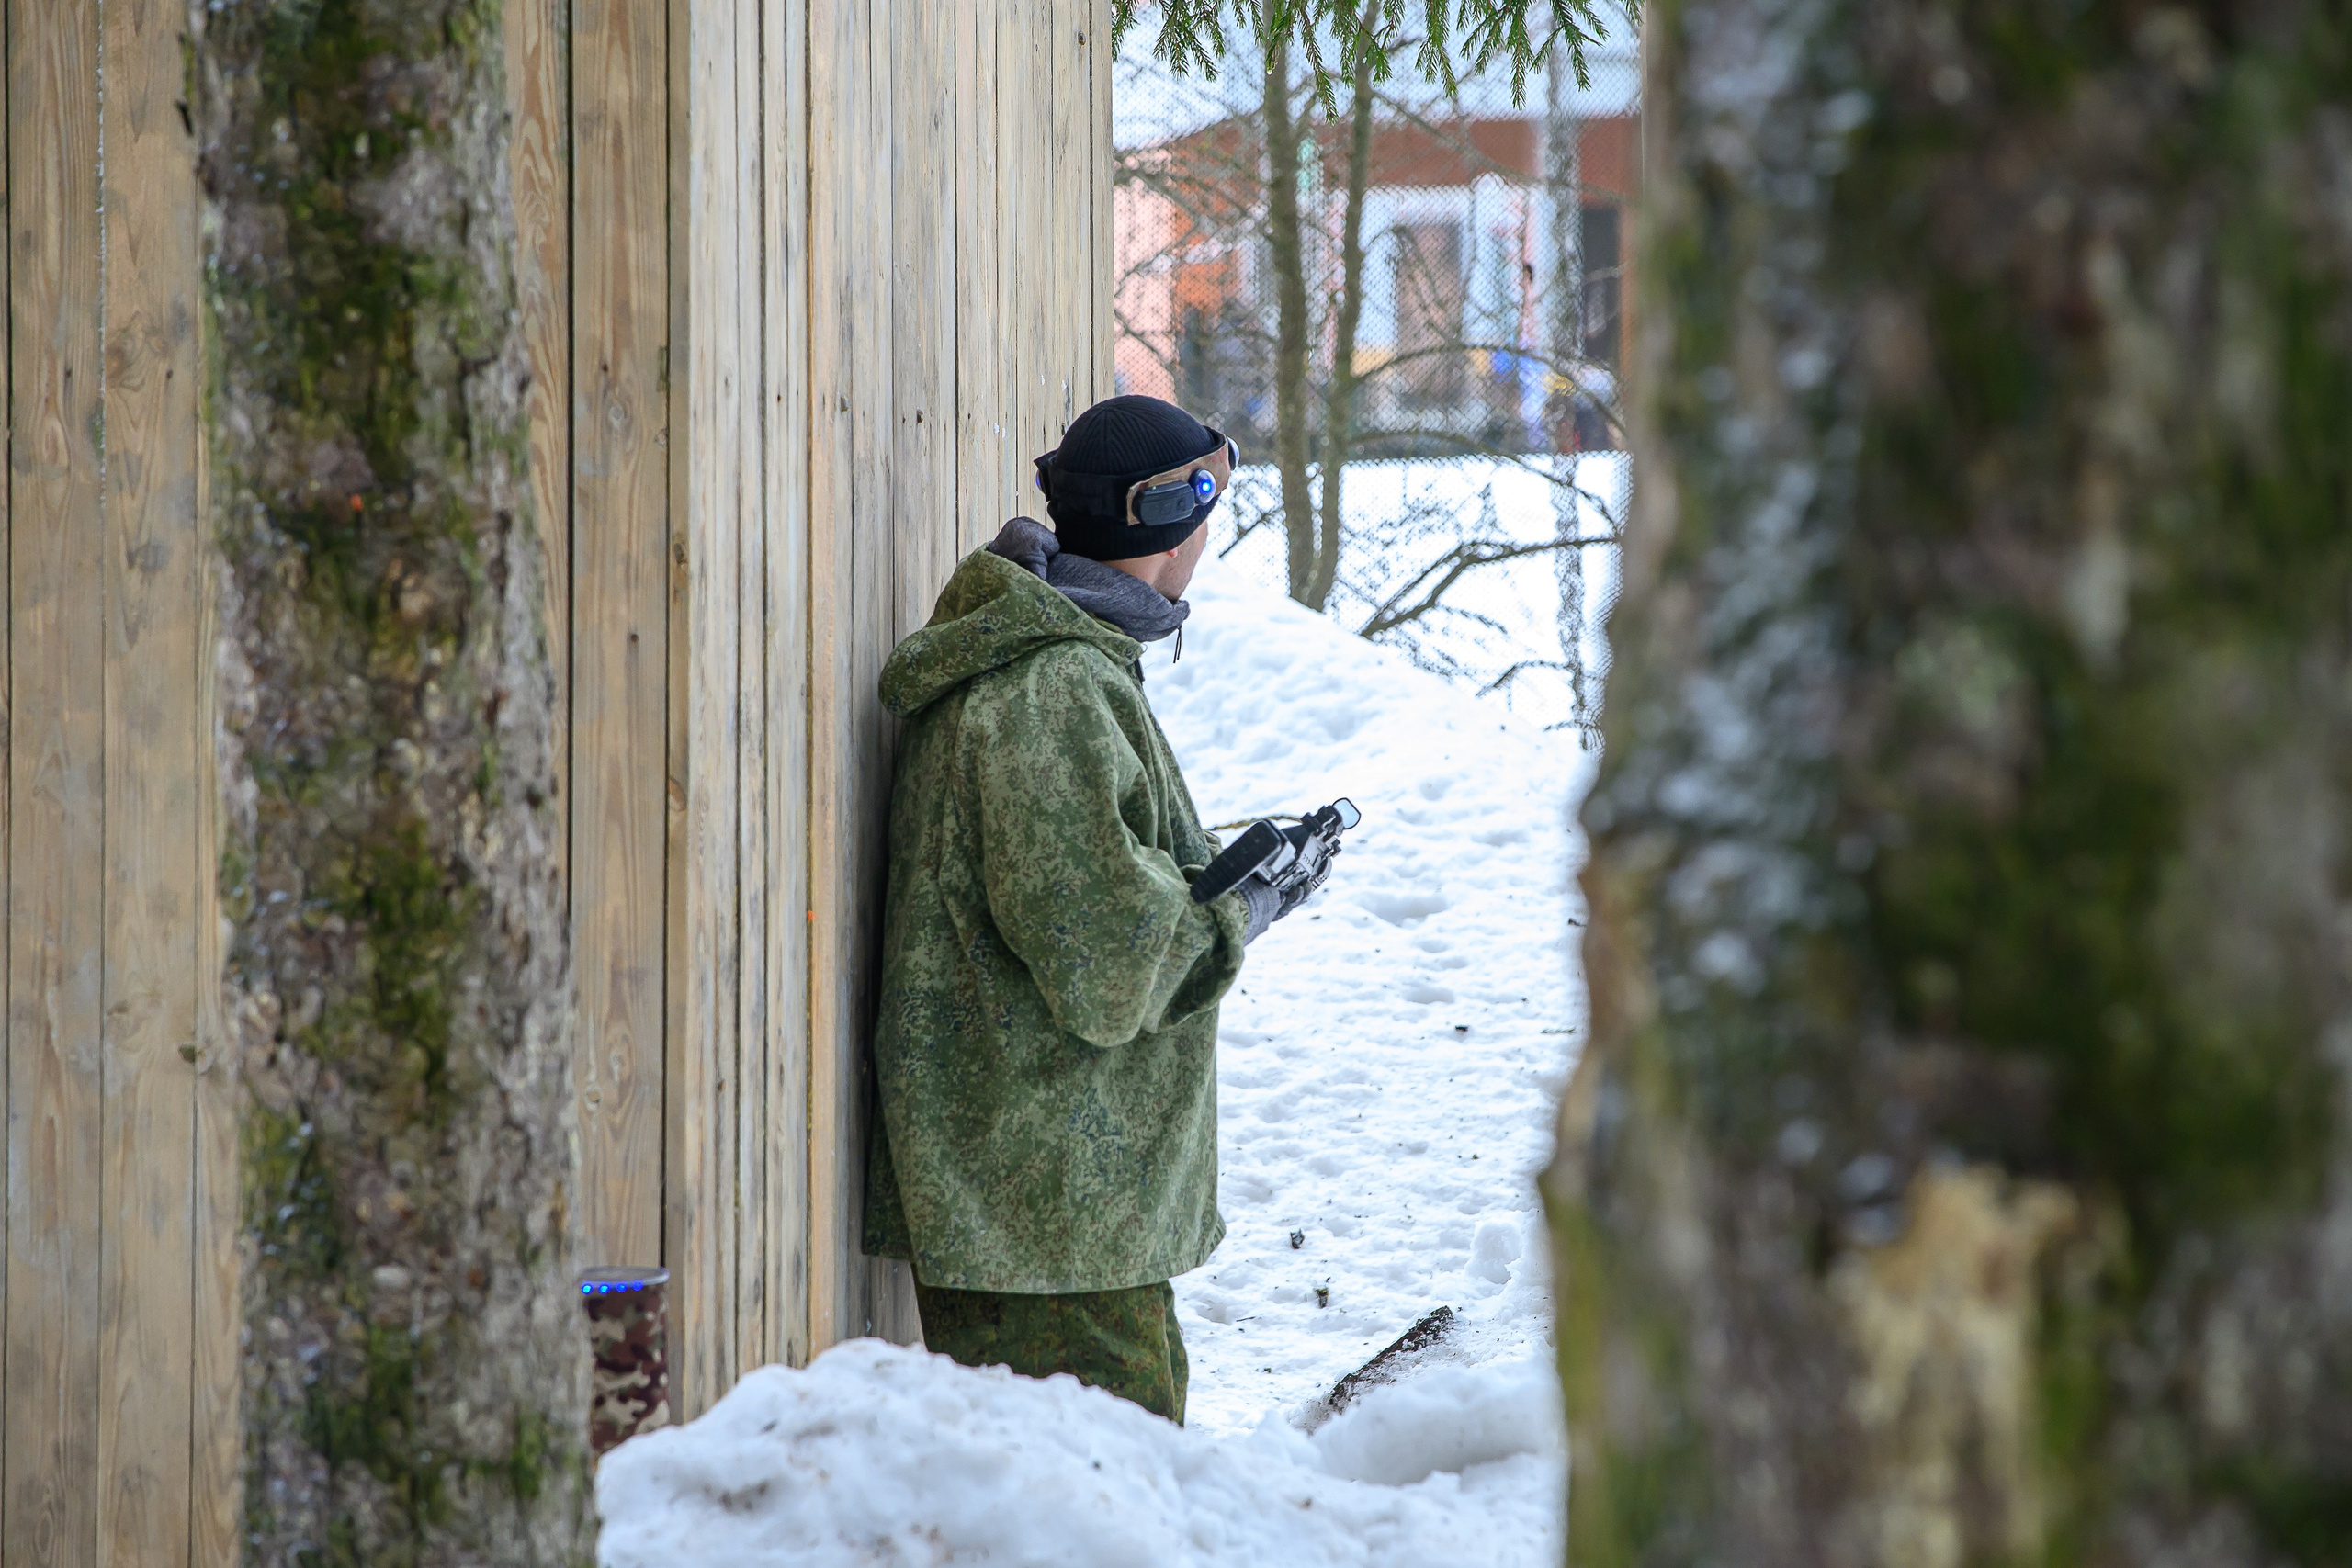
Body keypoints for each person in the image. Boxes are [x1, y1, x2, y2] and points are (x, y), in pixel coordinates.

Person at [861, 395, 1329, 1424]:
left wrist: (1228, 876)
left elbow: (1084, 872)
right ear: (1173, 519)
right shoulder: (1051, 691)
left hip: (1056, 1214)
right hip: (1048, 1213)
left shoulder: (1066, 667)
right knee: (1101, 1511)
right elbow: (1107, 961)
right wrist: (1235, 913)